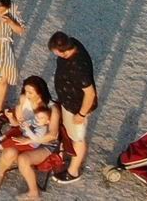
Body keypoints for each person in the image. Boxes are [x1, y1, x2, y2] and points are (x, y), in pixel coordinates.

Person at [0, 75, 61, 199]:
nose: (27, 94)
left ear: (40, 92)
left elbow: (52, 135)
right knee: (9, 152)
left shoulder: (52, 108)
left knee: (23, 159)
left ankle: (34, 193)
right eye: (25, 91)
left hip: (45, 143)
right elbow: (18, 125)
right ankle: (0, 173)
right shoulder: (24, 99)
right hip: (26, 134)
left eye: (30, 92)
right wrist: (11, 118)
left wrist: (30, 140)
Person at [47, 32, 99, 183]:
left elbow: (90, 93)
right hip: (67, 101)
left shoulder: (78, 67)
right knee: (68, 132)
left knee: (78, 138)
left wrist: (81, 115)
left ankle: (73, 171)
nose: (55, 55)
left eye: (56, 53)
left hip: (77, 107)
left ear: (64, 51)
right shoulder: (73, 43)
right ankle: (66, 155)